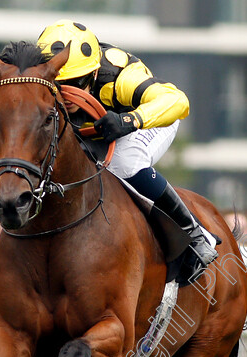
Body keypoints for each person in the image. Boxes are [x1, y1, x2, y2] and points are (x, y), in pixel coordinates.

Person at [36, 20, 217, 270]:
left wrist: (129, 120)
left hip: (147, 121)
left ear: (95, 73)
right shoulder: (36, 75)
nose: (68, 94)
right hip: (98, 132)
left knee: (125, 160)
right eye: (59, 84)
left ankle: (195, 234)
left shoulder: (119, 76)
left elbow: (177, 100)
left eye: (76, 83)